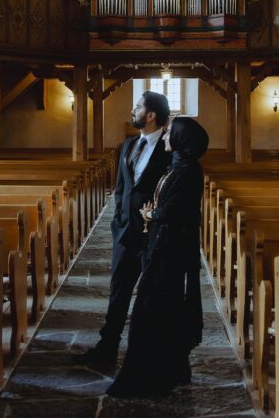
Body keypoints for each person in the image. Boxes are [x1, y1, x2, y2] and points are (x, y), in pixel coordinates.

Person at [106, 116, 209, 398]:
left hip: (169, 251)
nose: (165, 137)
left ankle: (150, 373)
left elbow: (178, 211)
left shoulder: (187, 170)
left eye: (169, 134)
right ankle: (167, 367)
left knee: (151, 310)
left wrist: (153, 214)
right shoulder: (179, 165)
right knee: (161, 309)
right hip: (163, 246)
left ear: (180, 139)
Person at [74, 91, 171, 372]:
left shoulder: (168, 150)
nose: (133, 110)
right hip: (126, 234)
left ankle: (150, 357)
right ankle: (106, 350)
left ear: (150, 115)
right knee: (118, 294)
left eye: (138, 107)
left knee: (153, 299)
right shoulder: (129, 145)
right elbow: (120, 189)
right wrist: (118, 222)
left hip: (153, 238)